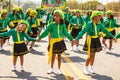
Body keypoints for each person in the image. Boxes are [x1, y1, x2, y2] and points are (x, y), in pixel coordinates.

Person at [37, 10, 73, 74]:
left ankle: (59, 69)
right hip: (53, 42)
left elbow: (66, 33)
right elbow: (46, 32)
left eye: (57, 15)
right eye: (54, 15)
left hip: (60, 41)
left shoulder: (63, 25)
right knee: (53, 55)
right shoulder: (51, 24)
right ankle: (51, 68)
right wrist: (40, 37)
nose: (55, 17)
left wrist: (71, 39)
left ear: (61, 17)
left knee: (59, 55)